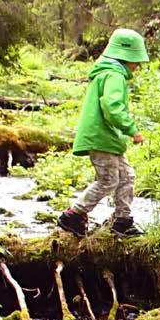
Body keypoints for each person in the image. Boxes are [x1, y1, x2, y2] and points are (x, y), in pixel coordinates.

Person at [58, 27, 148, 238]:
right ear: (126, 57)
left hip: (108, 138)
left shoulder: (108, 73)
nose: (137, 67)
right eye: (136, 61)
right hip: (101, 137)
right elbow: (112, 106)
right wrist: (132, 130)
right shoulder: (113, 75)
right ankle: (73, 214)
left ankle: (122, 220)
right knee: (108, 180)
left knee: (126, 176)